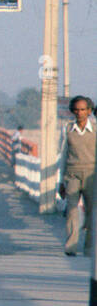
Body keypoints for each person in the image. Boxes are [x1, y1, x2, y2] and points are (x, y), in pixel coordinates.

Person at [59, 95, 96, 255]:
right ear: (72, 111)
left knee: (92, 212)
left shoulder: (95, 129)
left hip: (91, 175)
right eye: (76, 110)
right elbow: (63, 155)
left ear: (89, 111)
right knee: (72, 210)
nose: (79, 113)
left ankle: (89, 248)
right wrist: (60, 182)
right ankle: (71, 247)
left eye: (83, 110)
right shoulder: (67, 129)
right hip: (72, 174)